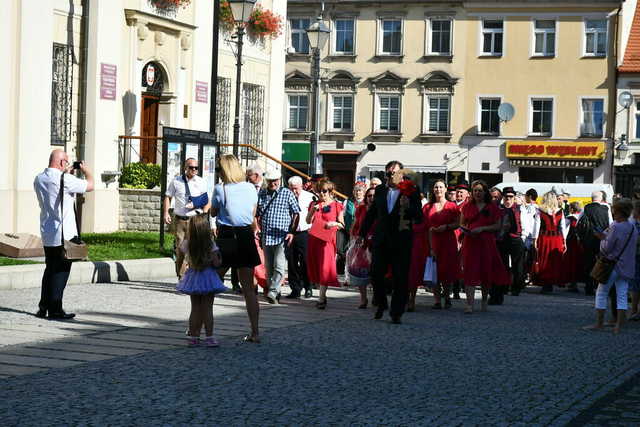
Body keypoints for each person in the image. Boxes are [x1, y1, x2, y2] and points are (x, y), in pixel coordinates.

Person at [359, 161, 423, 324]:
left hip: (401, 239)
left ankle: (397, 312)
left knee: (400, 277)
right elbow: (372, 213)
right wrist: (362, 233)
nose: (391, 176)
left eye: (394, 173)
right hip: (381, 238)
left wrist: (408, 206)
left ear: (401, 174)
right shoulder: (380, 190)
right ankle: (381, 303)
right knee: (376, 273)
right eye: (388, 173)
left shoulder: (411, 191)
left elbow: (419, 217)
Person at [34, 150, 94, 319]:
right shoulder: (66, 179)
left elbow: (54, 189)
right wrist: (86, 171)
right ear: (61, 163)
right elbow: (90, 185)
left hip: (48, 232)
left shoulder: (39, 178)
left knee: (50, 269)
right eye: (66, 162)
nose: (67, 165)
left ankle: (43, 307)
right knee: (61, 271)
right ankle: (55, 309)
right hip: (65, 233)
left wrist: (67, 174)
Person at [212, 154, 261, 343]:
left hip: (226, 236)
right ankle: (255, 331)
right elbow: (253, 213)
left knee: (212, 281)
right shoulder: (250, 188)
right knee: (249, 288)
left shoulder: (220, 188)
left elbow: (214, 211)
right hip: (245, 236)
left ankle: (203, 328)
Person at [584, 198, 637, 334]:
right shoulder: (632, 227)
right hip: (626, 266)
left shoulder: (615, 226)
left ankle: (599, 323)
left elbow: (606, 248)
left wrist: (602, 238)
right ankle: (618, 325)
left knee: (601, 292)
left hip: (611, 264)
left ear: (618, 211)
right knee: (622, 295)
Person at [459, 180, 509, 314]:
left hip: (486, 242)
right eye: (475, 190)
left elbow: (497, 226)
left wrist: (482, 229)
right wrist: (466, 230)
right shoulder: (467, 207)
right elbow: (462, 224)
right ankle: (469, 304)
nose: (477, 193)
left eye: (480, 190)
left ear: (485, 192)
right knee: (469, 271)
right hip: (470, 242)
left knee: (485, 272)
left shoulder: (491, 207)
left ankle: (484, 300)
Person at [176, 214, 226, 347]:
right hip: (208, 277)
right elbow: (216, 263)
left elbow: (180, 253)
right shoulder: (210, 243)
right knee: (208, 309)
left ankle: (193, 337)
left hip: (193, 276)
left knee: (195, 308)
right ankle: (209, 337)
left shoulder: (188, 243)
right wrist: (219, 260)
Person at [257, 169, 300, 304]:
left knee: (279, 265)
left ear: (279, 180)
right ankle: (275, 293)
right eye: (270, 181)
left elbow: (296, 213)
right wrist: (257, 228)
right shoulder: (262, 193)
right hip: (266, 235)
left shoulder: (287, 193)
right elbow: (257, 212)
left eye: (275, 180)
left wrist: (291, 231)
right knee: (269, 266)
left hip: (282, 236)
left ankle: (273, 291)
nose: (273, 183)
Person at [163, 158, 211, 278]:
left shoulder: (201, 182)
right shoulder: (176, 181)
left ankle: (189, 277)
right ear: (185, 168)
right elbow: (168, 197)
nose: (194, 170)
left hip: (195, 220)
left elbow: (206, 200)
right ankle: (181, 276)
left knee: (194, 249)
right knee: (181, 250)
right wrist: (166, 213)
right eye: (191, 167)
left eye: (196, 168)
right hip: (180, 220)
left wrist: (204, 215)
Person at [306, 179, 345, 309]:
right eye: (319, 191)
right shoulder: (314, 204)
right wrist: (313, 210)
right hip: (314, 239)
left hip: (327, 241)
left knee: (325, 268)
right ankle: (322, 294)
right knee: (316, 267)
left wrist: (333, 224)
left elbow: (342, 224)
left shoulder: (337, 205)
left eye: (325, 191)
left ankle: (321, 298)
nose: (322, 194)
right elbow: (307, 221)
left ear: (330, 191)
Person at [424, 180, 460, 309]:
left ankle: (447, 296)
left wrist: (446, 227)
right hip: (433, 240)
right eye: (436, 187)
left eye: (440, 187)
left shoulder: (452, 206)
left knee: (447, 270)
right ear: (433, 190)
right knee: (435, 271)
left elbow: (458, 223)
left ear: (445, 189)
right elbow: (426, 227)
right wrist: (430, 246)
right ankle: (437, 300)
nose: (438, 189)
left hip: (448, 240)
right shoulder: (427, 207)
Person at [578, 191, 614, 295]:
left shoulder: (586, 207)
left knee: (588, 263)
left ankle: (588, 287)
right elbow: (611, 224)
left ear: (591, 198)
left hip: (588, 240)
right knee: (601, 262)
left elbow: (578, 222)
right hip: (602, 239)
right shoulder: (606, 208)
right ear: (601, 198)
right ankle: (599, 286)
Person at [285, 176, 314, 299]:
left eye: (295, 188)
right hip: (290, 232)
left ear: (301, 186)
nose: (293, 191)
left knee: (306, 261)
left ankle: (308, 287)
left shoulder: (309, 197)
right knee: (291, 262)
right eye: (291, 188)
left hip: (305, 232)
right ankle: (295, 289)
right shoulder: (286, 196)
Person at [496, 186, 527, 300]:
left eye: (510, 197)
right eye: (506, 197)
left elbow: (525, 224)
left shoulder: (520, 209)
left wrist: (522, 238)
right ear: (503, 198)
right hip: (502, 239)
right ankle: (503, 287)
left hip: (515, 238)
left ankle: (516, 288)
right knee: (503, 265)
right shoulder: (499, 209)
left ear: (514, 198)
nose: (508, 199)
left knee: (517, 265)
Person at [534, 192, 568, 294]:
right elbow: (563, 227)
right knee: (554, 260)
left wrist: (534, 239)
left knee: (543, 259)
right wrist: (564, 241)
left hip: (544, 238)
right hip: (557, 238)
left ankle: (545, 284)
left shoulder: (539, 211)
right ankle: (551, 283)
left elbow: (537, 226)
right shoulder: (560, 211)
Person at [351, 186, 376, 308]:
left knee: (375, 272)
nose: (372, 198)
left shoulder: (382, 209)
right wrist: (356, 237)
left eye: (374, 196)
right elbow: (355, 226)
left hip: (376, 244)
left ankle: (376, 296)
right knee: (361, 272)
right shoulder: (361, 209)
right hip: (362, 245)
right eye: (369, 196)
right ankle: (363, 298)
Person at [563, 201, 584, 292]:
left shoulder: (569, 218)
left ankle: (571, 282)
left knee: (570, 262)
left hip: (571, 243)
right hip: (580, 243)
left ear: (571, 209)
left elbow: (563, 229)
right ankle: (574, 282)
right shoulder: (582, 217)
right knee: (577, 262)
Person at [629, 200, 640, 321]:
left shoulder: (634, 224)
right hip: (635, 256)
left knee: (635, 285)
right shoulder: (633, 223)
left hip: (636, 256)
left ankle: (634, 310)